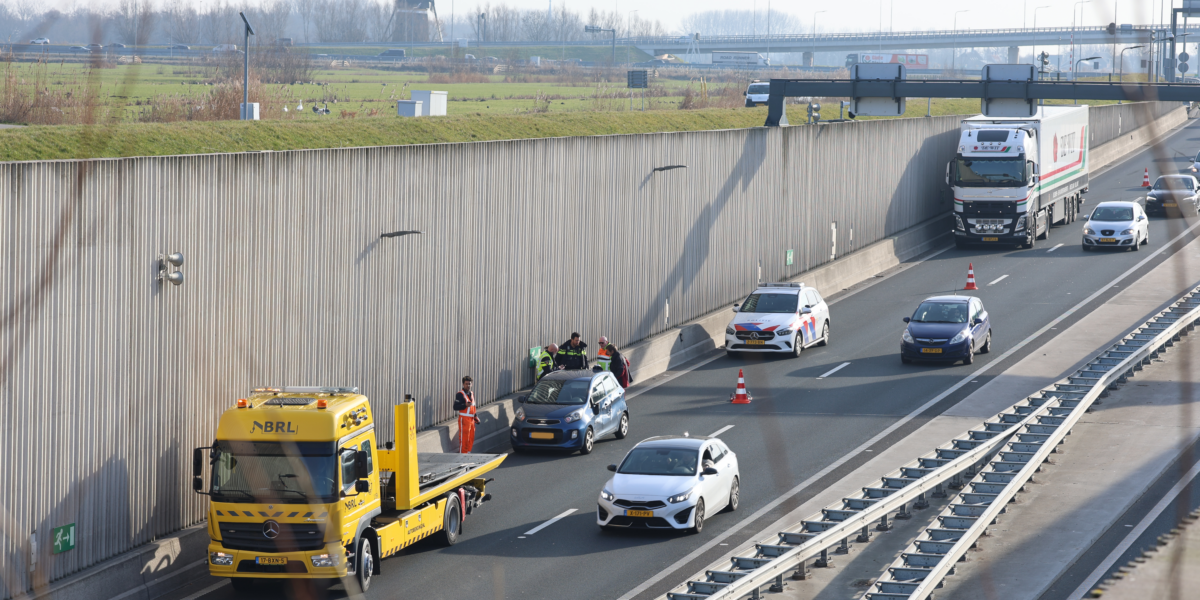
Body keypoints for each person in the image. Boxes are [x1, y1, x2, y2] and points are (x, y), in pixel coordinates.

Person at [453, 376, 480, 453]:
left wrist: (475, 416)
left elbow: (473, 407)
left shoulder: (471, 393)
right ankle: (462, 458)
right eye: (466, 384)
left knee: (470, 439)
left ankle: (468, 455)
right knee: (464, 440)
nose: (468, 385)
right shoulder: (460, 394)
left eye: (469, 384)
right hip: (464, 420)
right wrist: (464, 405)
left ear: (472, 384)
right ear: (463, 384)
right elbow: (455, 407)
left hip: (471, 420)